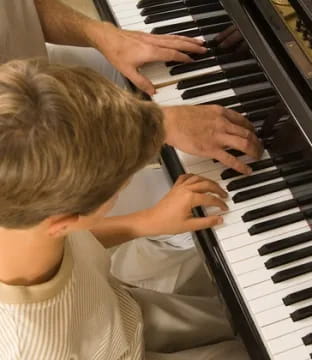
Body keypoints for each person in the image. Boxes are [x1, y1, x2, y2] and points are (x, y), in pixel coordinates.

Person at [0, 58, 249, 360]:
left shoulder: (27, 216)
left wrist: (146, 222)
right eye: (122, 186)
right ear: (65, 220)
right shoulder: (29, 348)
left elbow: (77, 239)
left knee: (242, 320)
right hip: (111, 349)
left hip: (118, 312)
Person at [0, 0, 262, 175]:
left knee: (144, 72)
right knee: (184, 228)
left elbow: (17, 9)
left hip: (28, 76)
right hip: (26, 169)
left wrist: (100, 33)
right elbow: (16, 143)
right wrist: (156, 124)